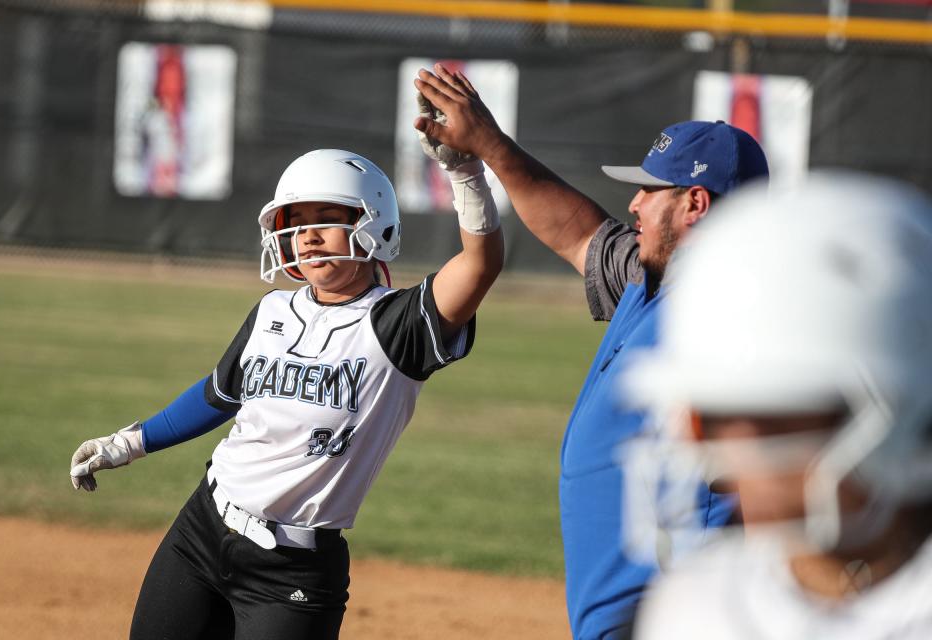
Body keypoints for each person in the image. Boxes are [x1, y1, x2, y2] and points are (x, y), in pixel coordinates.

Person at [68, 147, 504, 639]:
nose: (308, 236)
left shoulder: (398, 325)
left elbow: (481, 264)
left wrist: (464, 172)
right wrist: (127, 443)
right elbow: (218, 395)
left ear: (373, 223)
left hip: (294, 569)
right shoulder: (272, 310)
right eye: (294, 223)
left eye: (326, 218)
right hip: (202, 529)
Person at [413, 63, 769, 639]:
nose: (634, 203)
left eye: (651, 190)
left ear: (695, 203)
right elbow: (578, 233)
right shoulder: (649, 280)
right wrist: (489, 148)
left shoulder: (744, 314)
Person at [619, 172, 932, 639]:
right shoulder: (694, 608)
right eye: (716, 417)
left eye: (777, 413)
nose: (737, 451)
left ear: (908, 412)